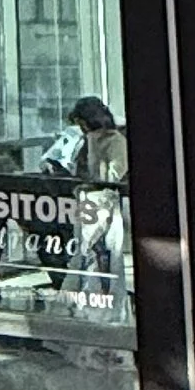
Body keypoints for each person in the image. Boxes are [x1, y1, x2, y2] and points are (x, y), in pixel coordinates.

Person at [40, 96, 129, 309]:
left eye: (82, 124)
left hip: (103, 202)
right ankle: (75, 301)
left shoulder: (114, 141)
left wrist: (94, 145)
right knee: (82, 253)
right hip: (82, 200)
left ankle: (101, 300)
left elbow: (110, 176)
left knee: (98, 255)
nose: (81, 129)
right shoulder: (83, 139)